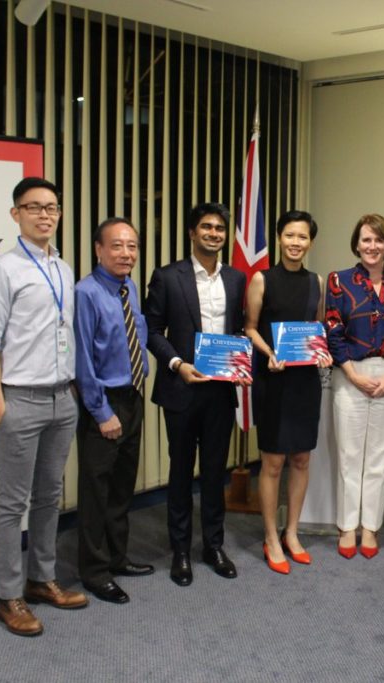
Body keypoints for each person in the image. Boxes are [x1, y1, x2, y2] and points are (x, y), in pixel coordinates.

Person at [0, 177, 87, 637]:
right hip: (19, 400)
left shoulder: (63, 268)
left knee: (48, 498)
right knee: (11, 502)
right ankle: (9, 596)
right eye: (34, 206)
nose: (45, 214)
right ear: (15, 213)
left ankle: (41, 580)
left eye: (52, 207)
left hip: (62, 399)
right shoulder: (2, 271)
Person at [144, 202, 248, 586]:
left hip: (221, 391)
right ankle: (181, 551)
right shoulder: (167, 276)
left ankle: (214, 546)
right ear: (192, 233)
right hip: (181, 388)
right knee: (180, 472)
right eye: (206, 227)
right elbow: (152, 331)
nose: (214, 234)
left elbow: (239, 330)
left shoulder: (237, 279)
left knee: (215, 471)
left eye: (220, 228)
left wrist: (240, 361)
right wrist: (176, 365)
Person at [325, 214, 384, 559]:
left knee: (380, 455)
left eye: (378, 240)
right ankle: (347, 526)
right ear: (357, 243)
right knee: (350, 455)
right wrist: (352, 374)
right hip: (350, 373)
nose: (372, 246)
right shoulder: (339, 280)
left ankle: (370, 527)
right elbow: (332, 331)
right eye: (366, 239)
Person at [245, 210, 331, 574]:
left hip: (305, 381)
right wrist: (270, 354)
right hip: (273, 379)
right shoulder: (261, 279)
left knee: (301, 459)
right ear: (279, 238)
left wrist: (322, 350)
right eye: (290, 236)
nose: (296, 243)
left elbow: (317, 327)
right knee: (273, 462)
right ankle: (269, 536)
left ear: (310, 242)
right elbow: (249, 327)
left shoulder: (318, 281)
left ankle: (292, 532)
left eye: (303, 237)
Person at [73, 217, 154, 604]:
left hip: (132, 395)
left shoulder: (129, 288)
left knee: (122, 486)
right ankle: (94, 570)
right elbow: (83, 361)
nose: (126, 253)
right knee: (96, 491)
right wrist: (101, 412)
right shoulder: (86, 293)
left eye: (132, 246)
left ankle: (117, 557)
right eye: (118, 246)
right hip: (102, 402)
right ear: (99, 249)